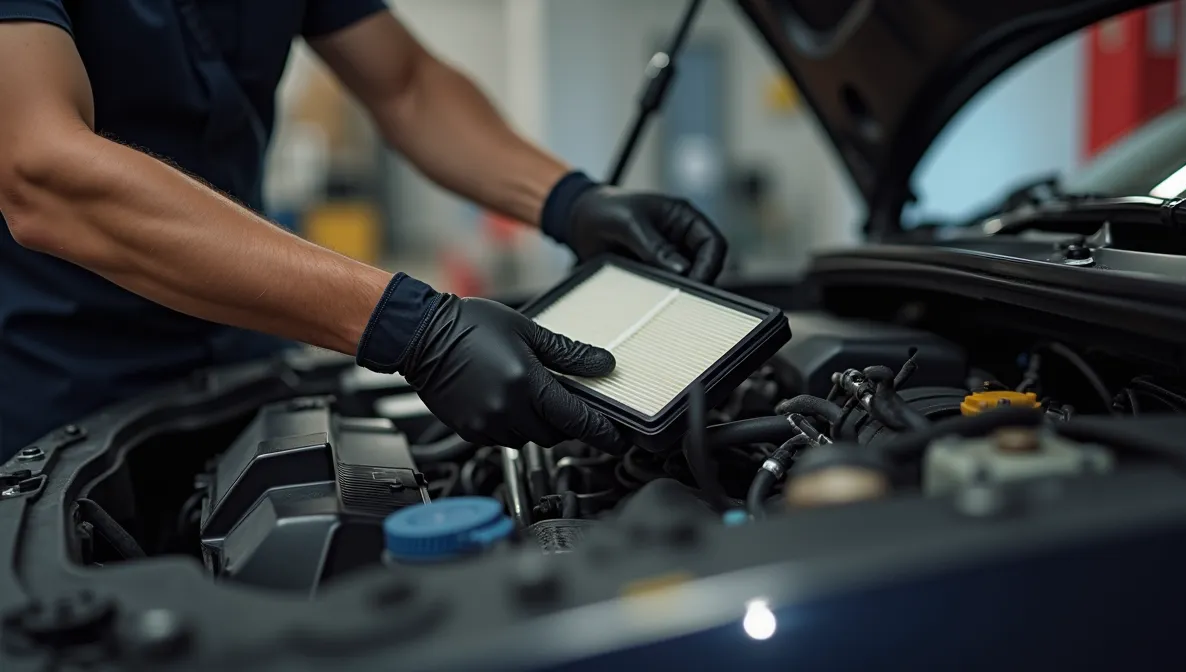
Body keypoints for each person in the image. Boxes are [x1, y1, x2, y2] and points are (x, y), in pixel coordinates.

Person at [0, 1, 727, 461]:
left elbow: (406, 84)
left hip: (249, 358)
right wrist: (416, 328)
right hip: (63, 401)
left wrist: (570, 201)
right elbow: (40, 170)